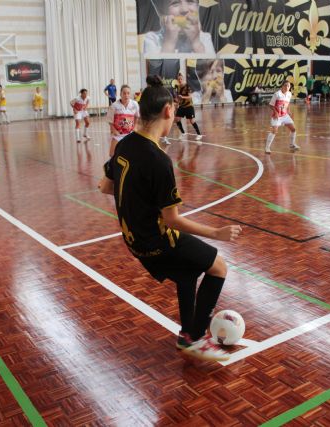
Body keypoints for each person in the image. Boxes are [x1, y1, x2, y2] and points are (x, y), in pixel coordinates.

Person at [98, 75, 241, 362]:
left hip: (133, 240)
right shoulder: (159, 160)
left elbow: (105, 186)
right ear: (167, 112)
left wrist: (137, 201)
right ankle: (196, 338)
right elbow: (172, 220)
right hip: (156, 240)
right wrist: (217, 233)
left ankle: (186, 335)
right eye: (174, 109)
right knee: (218, 266)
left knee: (187, 273)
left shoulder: (124, 145)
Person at [142, 0, 215, 55]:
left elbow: (207, 69)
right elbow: (157, 73)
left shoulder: (205, 38)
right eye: (175, 3)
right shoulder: (152, 40)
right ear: (162, 12)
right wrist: (169, 43)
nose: (184, 9)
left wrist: (196, 44)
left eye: (190, 1)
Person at [265, 80, 298, 153]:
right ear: (282, 86)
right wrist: (276, 112)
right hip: (277, 116)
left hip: (285, 115)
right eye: (285, 85)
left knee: (293, 129)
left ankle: (292, 144)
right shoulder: (277, 94)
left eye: (288, 86)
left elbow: (287, 104)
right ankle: (267, 148)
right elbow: (271, 105)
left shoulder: (289, 94)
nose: (287, 87)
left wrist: (288, 111)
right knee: (274, 131)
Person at [107, 84, 140, 156]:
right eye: (124, 93)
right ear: (120, 94)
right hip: (118, 134)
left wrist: (135, 126)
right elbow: (110, 121)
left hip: (130, 134)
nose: (126, 95)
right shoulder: (114, 106)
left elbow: (137, 116)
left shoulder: (135, 104)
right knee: (112, 154)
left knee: (131, 154)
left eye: (128, 93)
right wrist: (114, 130)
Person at [174, 73, 202, 141]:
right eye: (178, 79)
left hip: (189, 106)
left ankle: (199, 134)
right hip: (181, 106)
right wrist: (177, 103)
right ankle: (183, 133)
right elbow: (178, 97)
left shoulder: (187, 86)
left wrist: (182, 97)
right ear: (177, 80)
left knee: (192, 121)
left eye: (181, 79)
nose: (180, 80)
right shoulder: (177, 87)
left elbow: (190, 96)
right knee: (177, 119)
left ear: (183, 79)